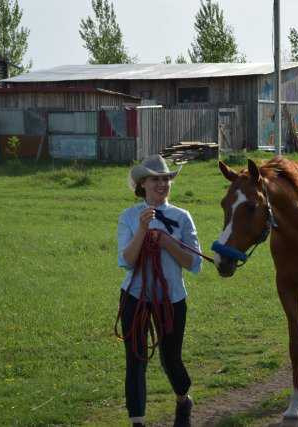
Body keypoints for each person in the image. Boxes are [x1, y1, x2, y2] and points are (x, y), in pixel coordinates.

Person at [117, 155, 202, 427]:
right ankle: (138, 421)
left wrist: (166, 242)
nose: (162, 184)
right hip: (135, 297)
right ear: (143, 184)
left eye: (166, 179)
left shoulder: (182, 217)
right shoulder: (129, 217)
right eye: (156, 179)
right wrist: (143, 230)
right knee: (136, 359)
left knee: (170, 358)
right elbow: (126, 261)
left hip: (171, 299)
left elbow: (193, 263)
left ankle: (182, 399)